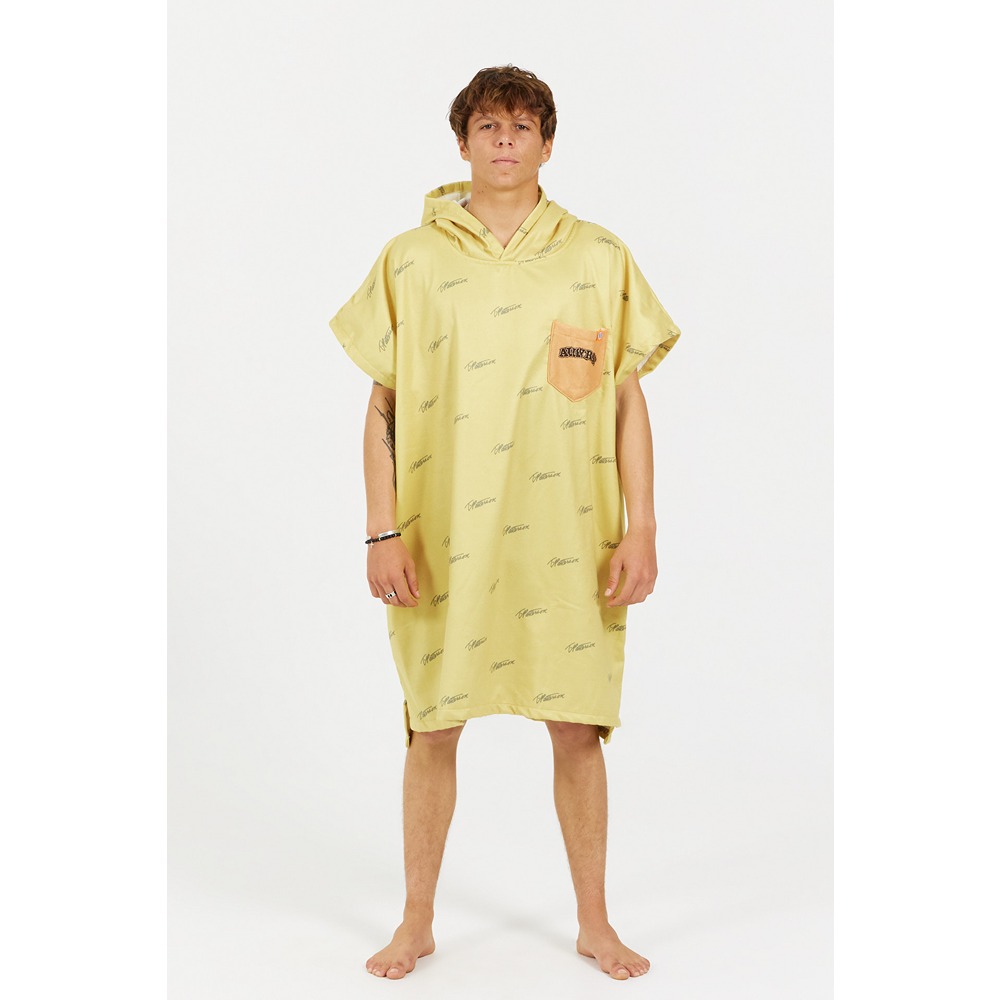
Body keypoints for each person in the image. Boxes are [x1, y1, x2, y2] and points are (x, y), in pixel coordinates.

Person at [329, 65, 682, 980]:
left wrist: (642, 526)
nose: (504, 140)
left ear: (547, 145)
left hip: (571, 537)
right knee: (431, 727)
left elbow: (626, 399)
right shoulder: (410, 259)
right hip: (441, 537)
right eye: (488, 125)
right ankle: (416, 921)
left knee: (578, 727)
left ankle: (595, 921)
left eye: (523, 126)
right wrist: (381, 529)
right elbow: (382, 402)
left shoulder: (598, 256)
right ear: (462, 143)